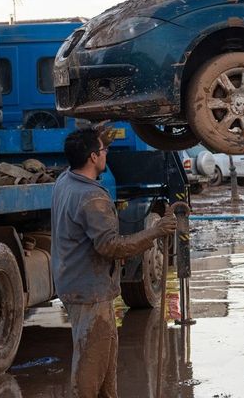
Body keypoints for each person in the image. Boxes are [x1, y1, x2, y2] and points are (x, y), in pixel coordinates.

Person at [51, 127, 177, 398]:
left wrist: (98, 137)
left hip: (75, 284)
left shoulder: (65, 181)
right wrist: (155, 231)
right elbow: (111, 247)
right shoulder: (93, 198)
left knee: (105, 365)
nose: (107, 153)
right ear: (94, 157)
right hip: (91, 291)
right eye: (104, 150)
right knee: (89, 368)